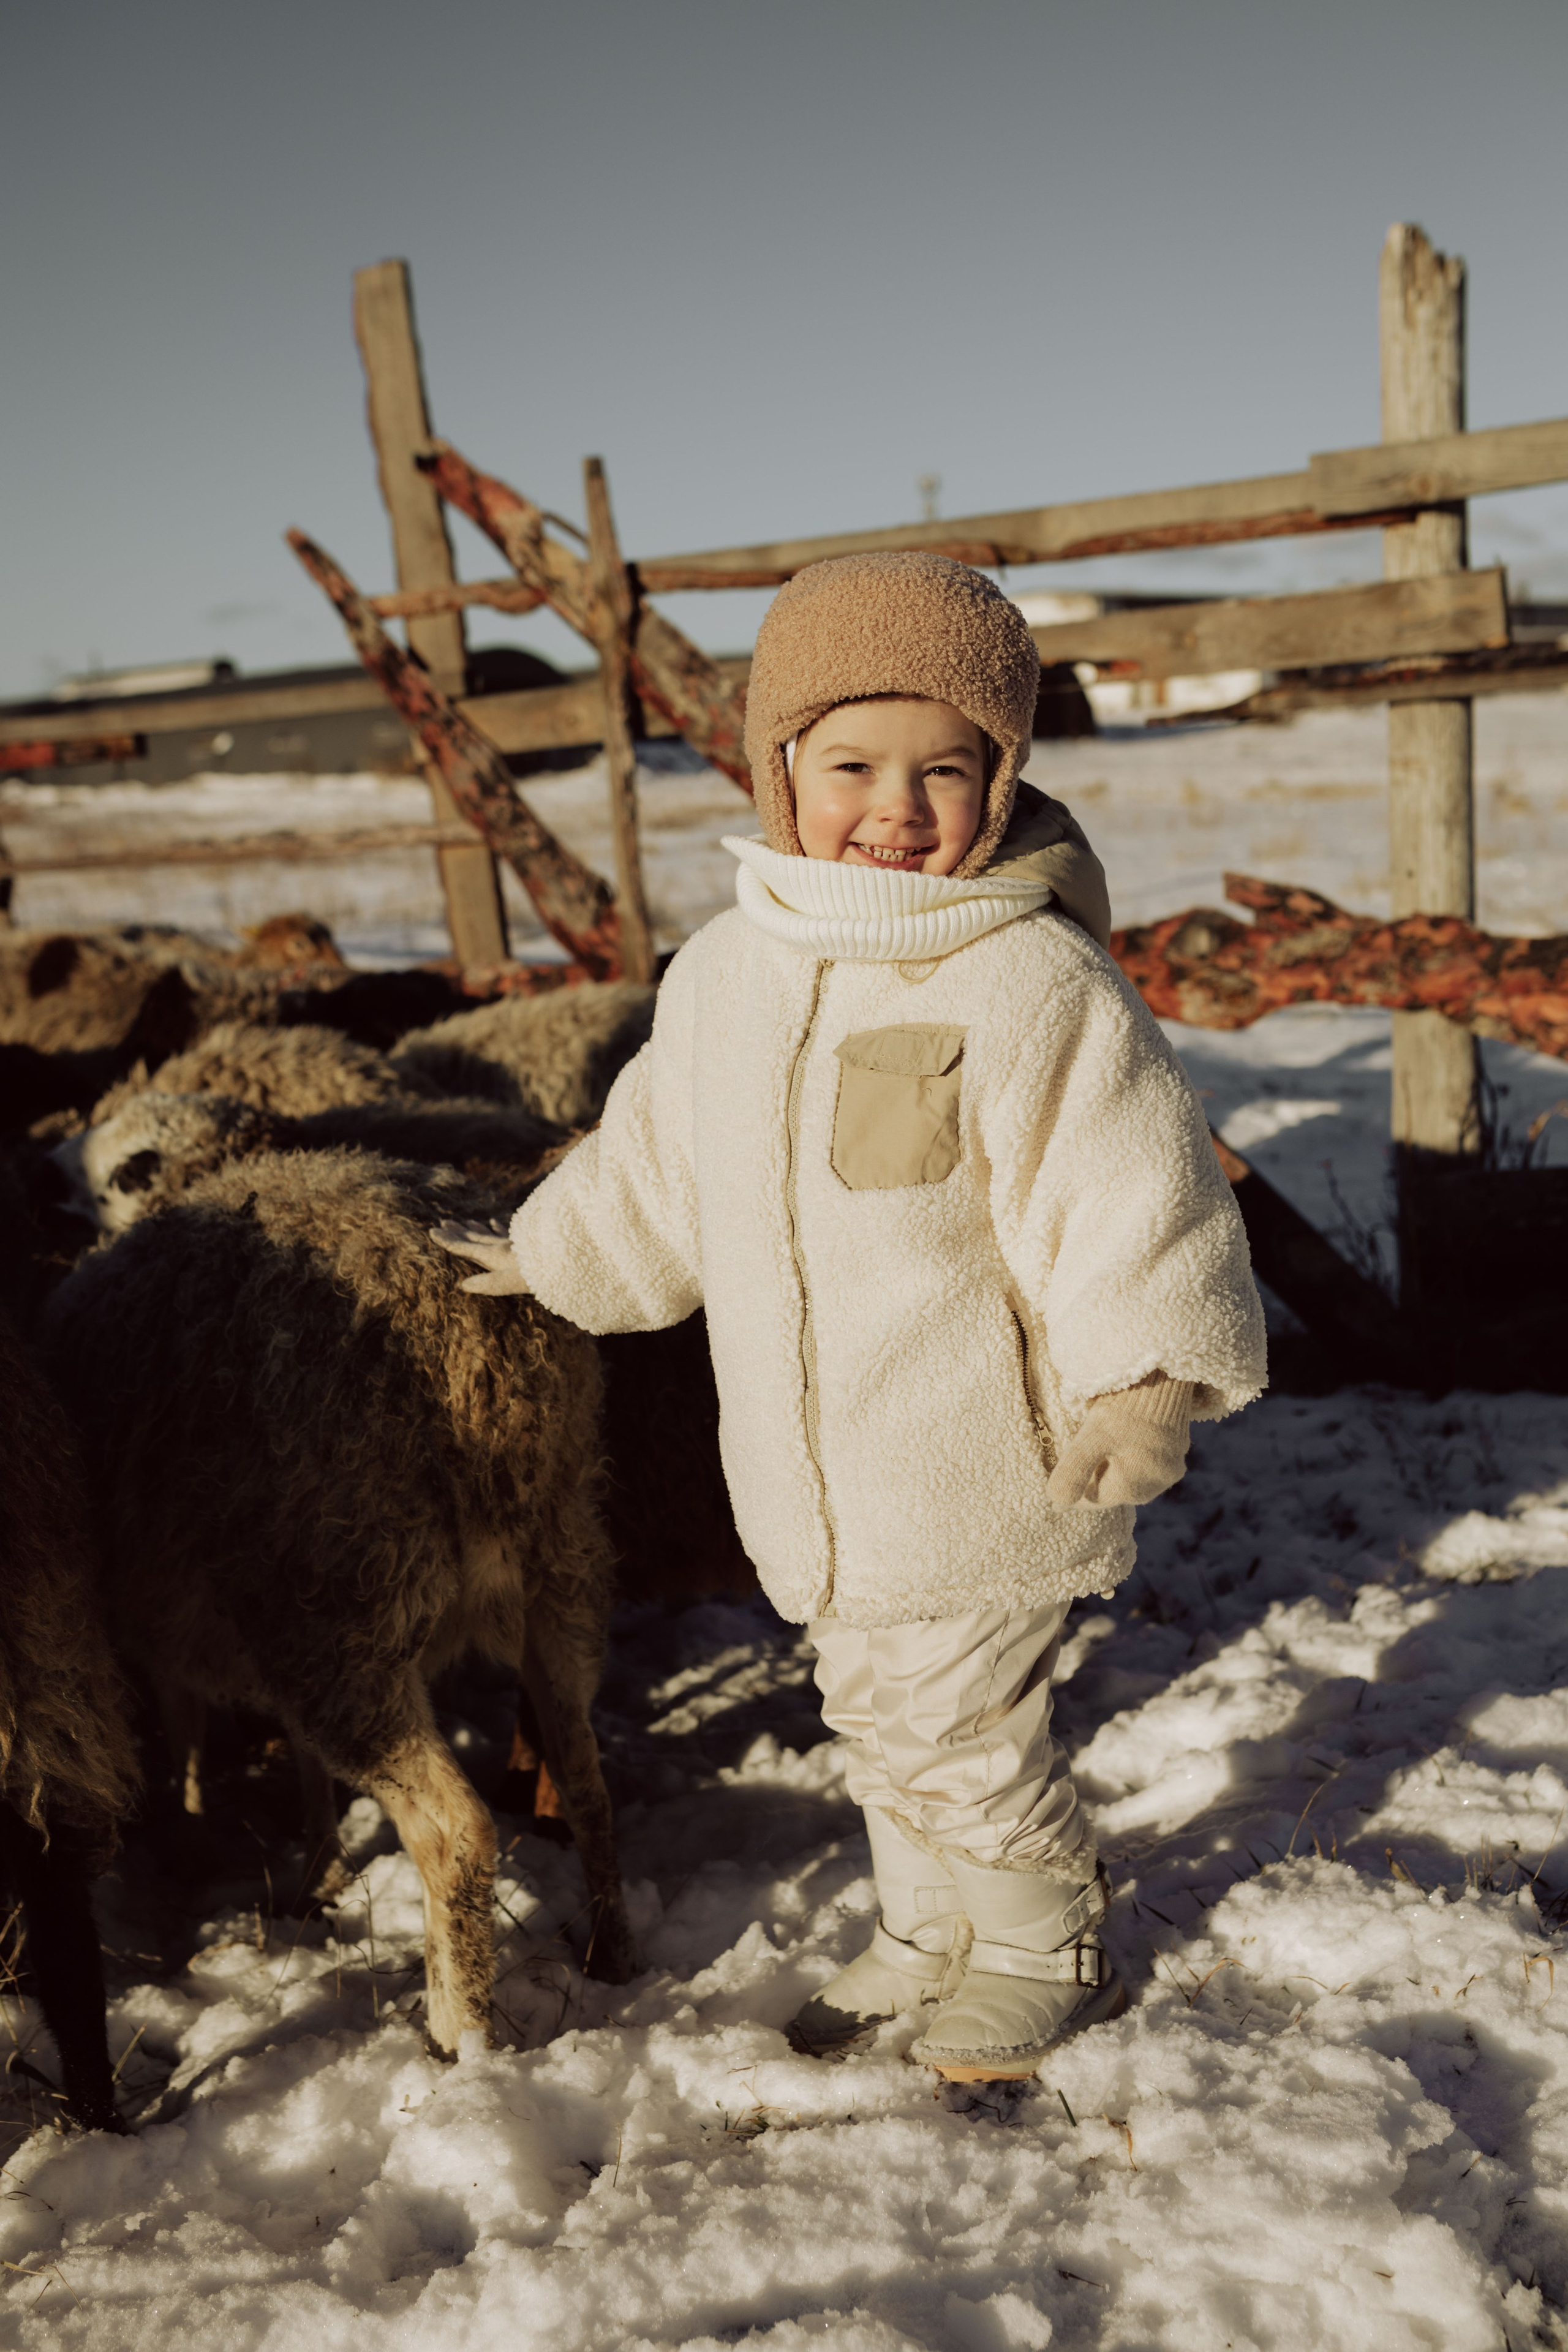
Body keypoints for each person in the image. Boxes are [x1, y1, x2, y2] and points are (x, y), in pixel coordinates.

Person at [439, 551, 1265, 2082]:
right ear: (777, 773)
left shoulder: (1027, 981)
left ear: (999, 780)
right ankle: (922, 1932)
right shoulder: (729, 975)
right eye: (851, 767)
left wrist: (1140, 1372)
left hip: (983, 1451)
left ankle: (1036, 1939)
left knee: (959, 1724)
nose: (895, 808)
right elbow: (657, 1161)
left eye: (943, 771)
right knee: (872, 1707)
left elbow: (1124, 1182)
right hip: (814, 1470)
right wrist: (551, 1253)